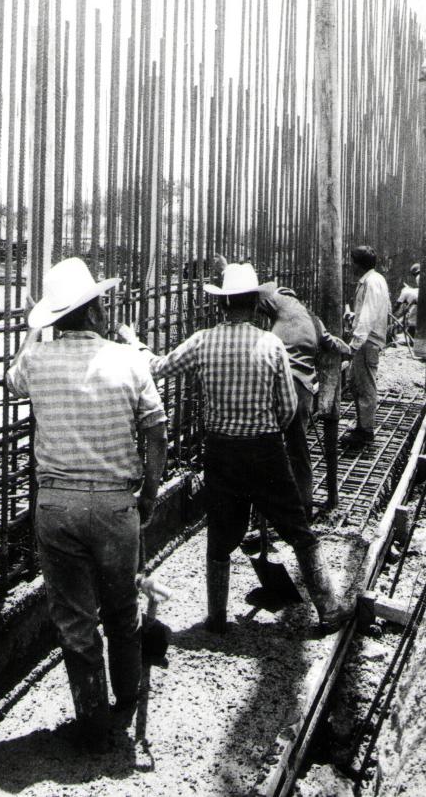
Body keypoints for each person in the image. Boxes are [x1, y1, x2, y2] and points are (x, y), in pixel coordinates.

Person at [118, 262, 350, 635]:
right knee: (297, 528)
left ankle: (216, 617)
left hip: (221, 451)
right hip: (265, 449)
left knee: (221, 534)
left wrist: (135, 343)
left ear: (222, 305)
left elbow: (157, 368)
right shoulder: (271, 344)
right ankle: (329, 608)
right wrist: (266, 425)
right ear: (255, 305)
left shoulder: (203, 341)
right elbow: (289, 407)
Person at [6, 257, 168, 750]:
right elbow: (157, 430)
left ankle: (93, 721)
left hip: (56, 505)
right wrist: (150, 492)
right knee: (121, 610)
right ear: (96, 310)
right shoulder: (128, 359)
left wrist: (35, 329)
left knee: (75, 619)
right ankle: (127, 697)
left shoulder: (36, 361)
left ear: (55, 317)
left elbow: (11, 381)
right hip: (116, 505)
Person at [257, 284, 351, 520]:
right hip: (302, 391)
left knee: (265, 446)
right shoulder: (315, 321)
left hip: (274, 382)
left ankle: (264, 513)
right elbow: (335, 343)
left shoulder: (281, 303)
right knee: (298, 450)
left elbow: (258, 293)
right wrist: (350, 348)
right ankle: (304, 508)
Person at [345, 246, 391, 446]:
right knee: (359, 383)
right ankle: (362, 426)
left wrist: (354, 344)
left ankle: (365, 431)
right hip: (370, 339)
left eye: (352, 261)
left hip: (367, 341)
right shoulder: (376, 279)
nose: (350, 266)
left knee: (364, 386)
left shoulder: (370, 283)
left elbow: (369, 315)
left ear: (359, 263)